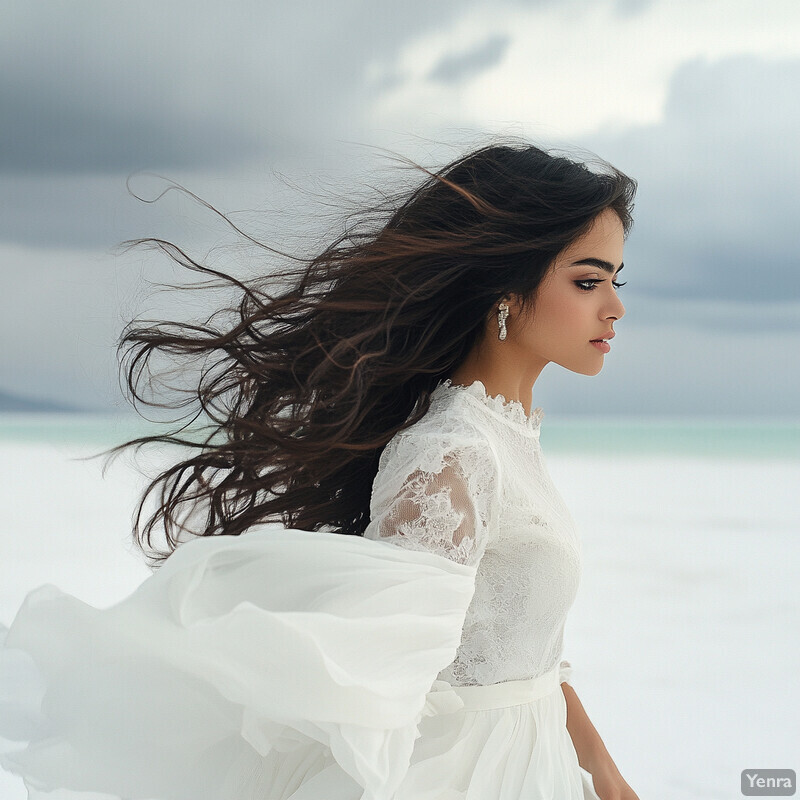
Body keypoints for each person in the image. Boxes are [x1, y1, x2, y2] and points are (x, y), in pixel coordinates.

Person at [0, 140, 640, 799]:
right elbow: (387, 689)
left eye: (616, 281)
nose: (614, 307)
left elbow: (522, 656)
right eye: (588, 282)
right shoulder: (454, 452)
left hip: (536, 765)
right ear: (505, 291)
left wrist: (603, 771)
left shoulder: (506, 438)